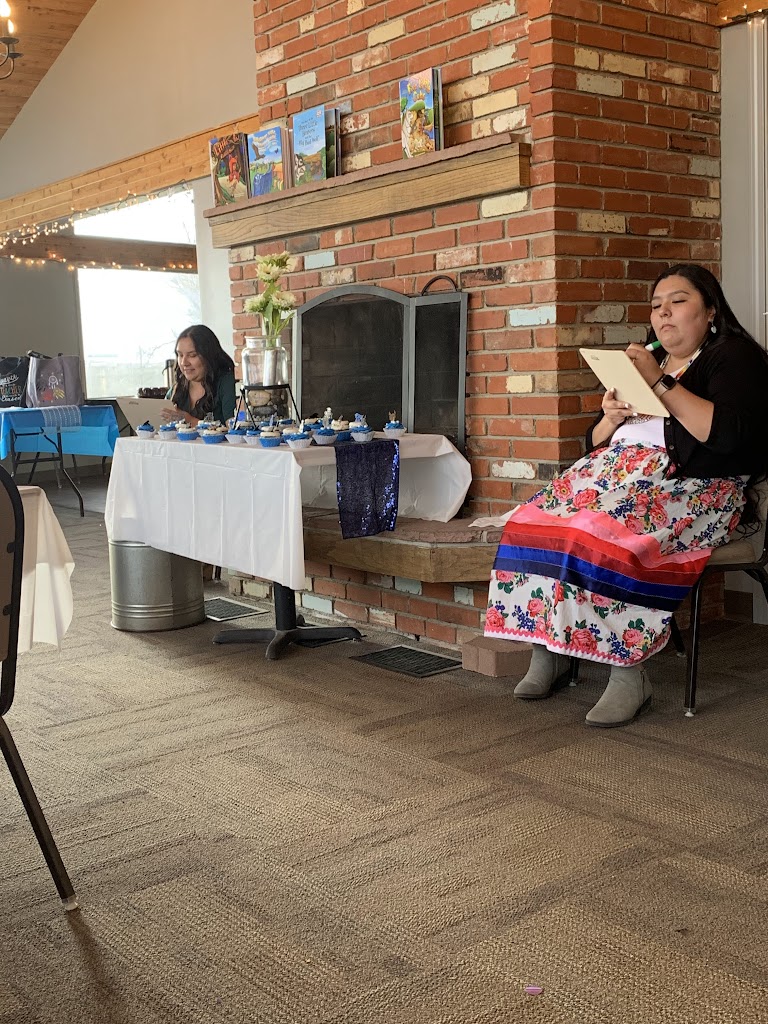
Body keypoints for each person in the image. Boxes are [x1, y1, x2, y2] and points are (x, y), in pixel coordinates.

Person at [484, 264, 768, 727]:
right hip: (616, 476)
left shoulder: (732, 357)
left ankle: (628, 672)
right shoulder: (650, 362)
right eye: (656, 306)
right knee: (531, 522)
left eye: (678, 301)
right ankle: (549, 647)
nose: (663, 314)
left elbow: (726, 437)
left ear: (711, 311)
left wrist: (659, 382)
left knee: (600, 534)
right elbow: (595, 444)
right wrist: (611, 418)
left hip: (694, 487)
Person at [161, 325, 236, 427]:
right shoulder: (178, 388)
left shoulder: (225, 382)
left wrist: (188, 420)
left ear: (209, 356)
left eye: (192, 355)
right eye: (180, 355)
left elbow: (234, 430)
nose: (184, 362)